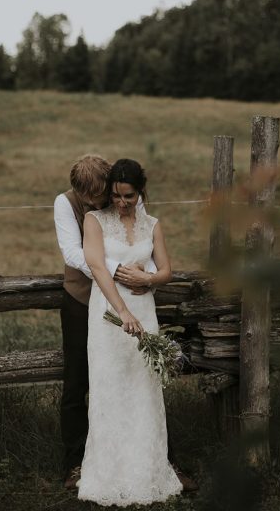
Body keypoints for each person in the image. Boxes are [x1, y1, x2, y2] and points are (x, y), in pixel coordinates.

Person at [77, 159, 183, 507]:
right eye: (117, 195)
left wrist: (148, 279)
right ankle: (107, 475)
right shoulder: (95, 221)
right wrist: (120, 310)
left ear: (141, 192)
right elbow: (95, 265)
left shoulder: (153, 224)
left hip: (144, 314)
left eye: (130, 196)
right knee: (110, 389)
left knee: (143, 390)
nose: (122, 203)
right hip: (109, 315)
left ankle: (146, 472)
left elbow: (166, 270)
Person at [54, 155, 155, 489]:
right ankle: (74, 463)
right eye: (88, 198)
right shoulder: (65, 203)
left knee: (131, 375)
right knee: (77, 382)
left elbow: (143, 242)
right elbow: (72, 253)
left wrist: (146, 275)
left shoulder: (122, 196)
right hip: (81, 301)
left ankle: (146, 455)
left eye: (99, 197)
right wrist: (114, 272)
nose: (95, 204)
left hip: (133, 301)